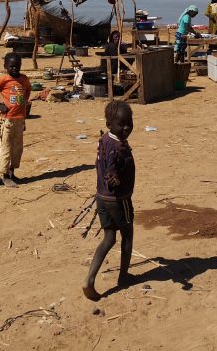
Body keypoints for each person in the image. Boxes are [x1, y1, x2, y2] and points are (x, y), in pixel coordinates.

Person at [83, 101, 135, 300]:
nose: (127, 127)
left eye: (129, 123)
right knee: (128, 235)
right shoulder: (116, 148)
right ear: (109, 124)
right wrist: (114, 178)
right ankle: (123, 277)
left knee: (109, 238)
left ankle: (89, 279)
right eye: (122, 124)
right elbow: (111, 170)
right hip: (118, 200)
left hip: (102, 198)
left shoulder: (105, 139)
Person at [0, 53, 32, 188]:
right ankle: (4, 175)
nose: (15, 69)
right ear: (5, 66)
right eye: (11, 66)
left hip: (20, 120)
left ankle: (12, 172)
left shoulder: (24, 79)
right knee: (6, 148)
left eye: (17, 66)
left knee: (17, 148)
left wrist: (25, 102)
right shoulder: (3, 80)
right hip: (8, 120)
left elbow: (28, 89)